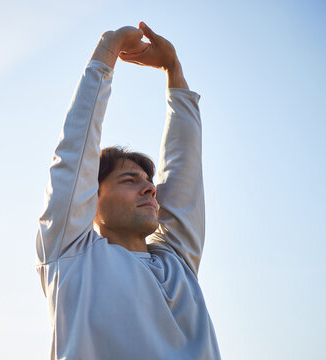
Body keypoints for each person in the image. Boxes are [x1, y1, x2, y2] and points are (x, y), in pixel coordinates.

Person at [36, 22, 221, 359]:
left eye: (148, 182)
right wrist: (107, 50)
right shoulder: (72, 254)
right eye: (129, 180)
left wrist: (174, 71)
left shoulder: (176, 262)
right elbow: (75, 153)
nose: (150, 189)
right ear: (91, 199)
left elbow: (185, 168)